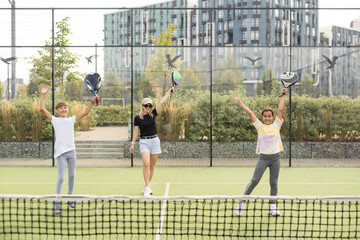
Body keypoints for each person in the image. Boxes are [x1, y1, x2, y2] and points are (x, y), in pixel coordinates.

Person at [40, 85, 98, 214]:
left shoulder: (71, 120)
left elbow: (85, 112)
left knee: (72, 175)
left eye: (65, 107)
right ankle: (57, 201)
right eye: (61, 108)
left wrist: (92, 102)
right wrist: (43, 94)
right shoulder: (54, 120)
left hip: (71, 152)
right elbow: (42, 108)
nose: (63, 109)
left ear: (67, 109)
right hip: (61, 153)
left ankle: (70, 197)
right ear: (57, 110)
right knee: (61, 177)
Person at [234, 88, 288, 217]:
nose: (268, 118)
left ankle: (272, 207)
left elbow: (280, 110)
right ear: (263, 117)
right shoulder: (259, 126)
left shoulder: (277, 125)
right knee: (254, 181)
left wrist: (282, 95)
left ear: (272, 117)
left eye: (270, 116)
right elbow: (250, 113)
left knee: (273, 182)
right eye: (265, 116)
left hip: (276, 158)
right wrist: (240, 103)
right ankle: (241, 203)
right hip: (263, 159)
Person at [130, 88, 174, 197]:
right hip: (144, 142)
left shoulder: (154, 114)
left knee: (152, 165)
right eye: (146, 106)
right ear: (142, 106)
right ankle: (147, 186)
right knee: (146, 163)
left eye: (150, 106)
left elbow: (162, 102)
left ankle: (147, 186)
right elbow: (136, 132)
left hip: (155, 141)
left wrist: (168, 92)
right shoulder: (137, 118)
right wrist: (132, 143)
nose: (148, 108)